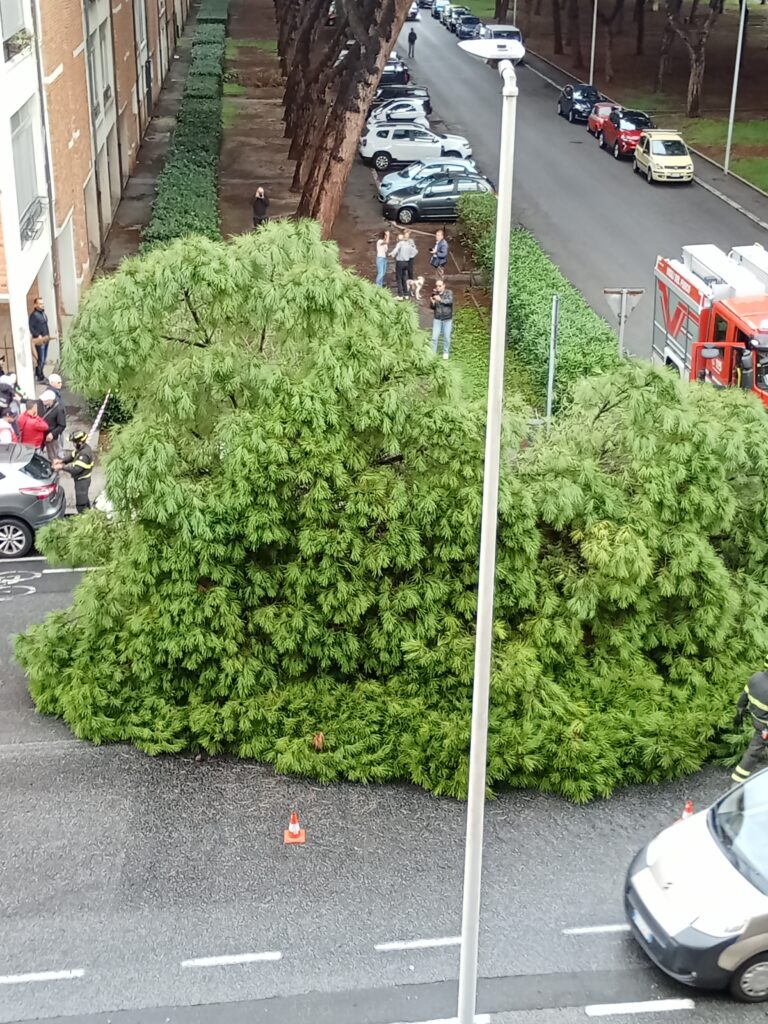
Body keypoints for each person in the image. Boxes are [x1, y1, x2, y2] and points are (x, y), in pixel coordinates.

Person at [731, 659, 768, 784]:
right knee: (753, 752)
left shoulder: (756, 678)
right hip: (766, 726)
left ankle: (737, 780)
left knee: (753, 752)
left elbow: (743, 698)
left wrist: (739, 713)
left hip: (757, 722)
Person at [54, 431, 94, 514]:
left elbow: (76, 469)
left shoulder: (84, 454)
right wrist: (62, 460)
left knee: (81, 504)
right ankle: (89, 515)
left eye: (74, 443)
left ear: (80, 442)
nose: (73, 444)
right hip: (81, 480)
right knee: (84, 499)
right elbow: (72, 455)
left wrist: (61, 467)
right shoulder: (81, 449)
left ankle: (84, 520)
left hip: (82, 481)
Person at [38, 388, 66, 461]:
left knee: (53, 456)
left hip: (51, 436)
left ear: (51, 400)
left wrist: (52, 434)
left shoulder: (59, 409)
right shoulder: (41, 404)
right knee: (38, 453)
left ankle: (55, 468)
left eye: (45, 400)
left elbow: (62, 425)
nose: (43, 402)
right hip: (41, 434)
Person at [29, 297, 53, 383]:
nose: (42, 305)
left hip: (45, 339)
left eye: (42, 303)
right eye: (40, 304)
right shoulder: (34, 315)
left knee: (44, 358)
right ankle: (40, 376)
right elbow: (31, 327)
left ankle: (40, 374)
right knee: (41, 359)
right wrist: (37, 335)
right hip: (40, 341)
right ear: (35, 305)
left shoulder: (43, 314)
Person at [430, 279, 454, 359]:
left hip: (447, 319)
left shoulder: (448, 293)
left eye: (440, 286)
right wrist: (432, 303)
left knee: (446, 337)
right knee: (434, 337)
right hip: (437, 318)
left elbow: (449, 301)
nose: (438, 287)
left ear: (443, 286)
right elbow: (432, 307)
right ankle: (433, 353)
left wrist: (440, 300)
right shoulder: (435, 294)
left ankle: (446, 353)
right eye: (437, 286)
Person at [390, 232, 413, 300]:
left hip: (400, 262)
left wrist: (392, 254)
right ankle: (406, 294)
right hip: (406, 262)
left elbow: (395, 251)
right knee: (404, 278)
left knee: (399, 278)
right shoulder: (408, 244)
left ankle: (400, 295)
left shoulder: (400, 244)